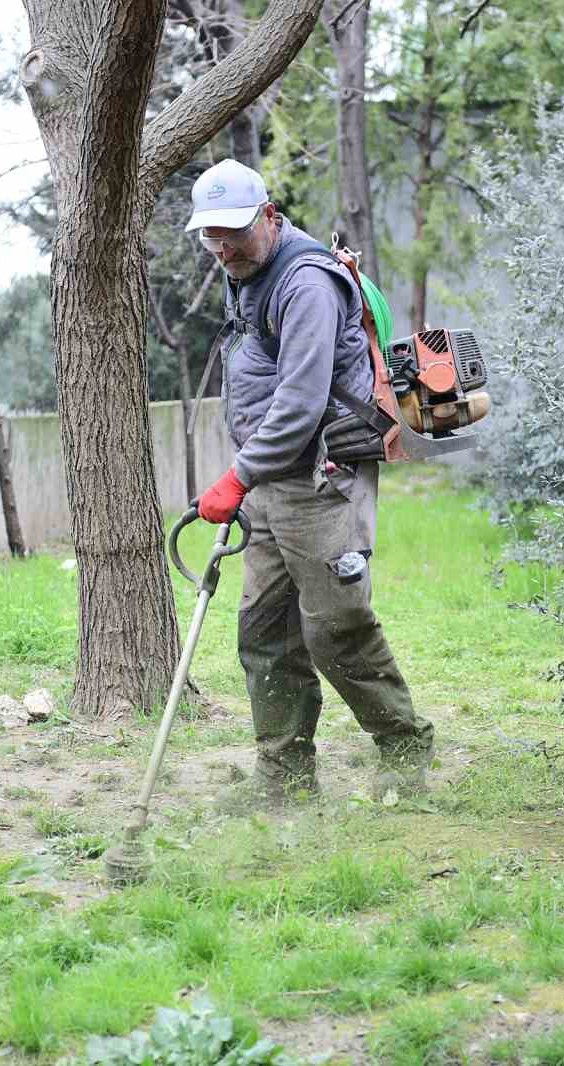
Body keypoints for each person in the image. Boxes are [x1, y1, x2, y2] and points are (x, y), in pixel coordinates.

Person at [184, 157, 434, 806]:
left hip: (323, 481)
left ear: (269, 215)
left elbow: (299, 401)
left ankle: (405, 748)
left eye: (233, 231)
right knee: (264, 631)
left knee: (334, 628)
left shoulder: (306, 285)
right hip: (272, 481)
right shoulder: (243, 272)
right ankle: (285, 781)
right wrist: (250, 473)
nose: (222, 247)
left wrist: (235, 477)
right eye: (210, 235)